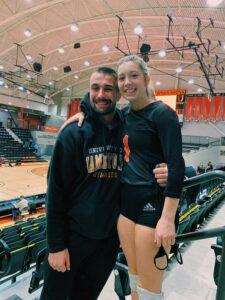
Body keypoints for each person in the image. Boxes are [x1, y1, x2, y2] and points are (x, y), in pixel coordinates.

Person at [40, 66, 168, 300]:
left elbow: (155, 156)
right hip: (71, 239)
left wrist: (166, 170)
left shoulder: (129, 127)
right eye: (95, 88)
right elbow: (55, 193)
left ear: (118, 94)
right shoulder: (73, 134)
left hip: (107, 243)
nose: (100, 94)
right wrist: (56, 246)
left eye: (108, 89)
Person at [116, 55, 185, 300]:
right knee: (134, 279)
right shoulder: (122, 115)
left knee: (150, 291)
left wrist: (167, 219)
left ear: (145, 78)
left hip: (152, 207)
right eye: (122, 78)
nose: (127, 82)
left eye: (133, 75)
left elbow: (177, 166)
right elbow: (92, 114)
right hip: (126, 208)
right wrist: (75, 116)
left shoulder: (162, 114)